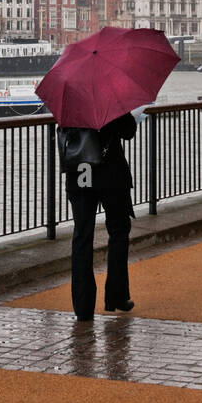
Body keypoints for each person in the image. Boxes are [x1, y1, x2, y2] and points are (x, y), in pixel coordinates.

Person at [61, 112, 137, 322]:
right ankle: (116, 295)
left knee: (82, 236)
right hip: (109, 173)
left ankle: (83, 307)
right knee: (119, 230)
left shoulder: (70, 102)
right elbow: (128, 131)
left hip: (79, 173)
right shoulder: (110, 99)